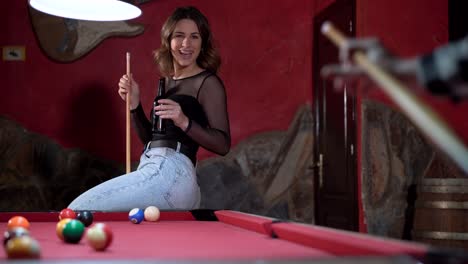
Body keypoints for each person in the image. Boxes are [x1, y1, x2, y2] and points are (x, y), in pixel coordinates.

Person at [68, 6, 230, 211]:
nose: (186, 44)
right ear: (168, 41)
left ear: (202, 43)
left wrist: (184, 121)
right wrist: (135, 105)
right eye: (179, 36)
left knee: (77, 209)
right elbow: (152, 140)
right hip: (157, 169)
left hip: (171, 172)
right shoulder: (168, 82)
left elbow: (223, 144)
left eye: (194, 37)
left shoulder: (207, 83)